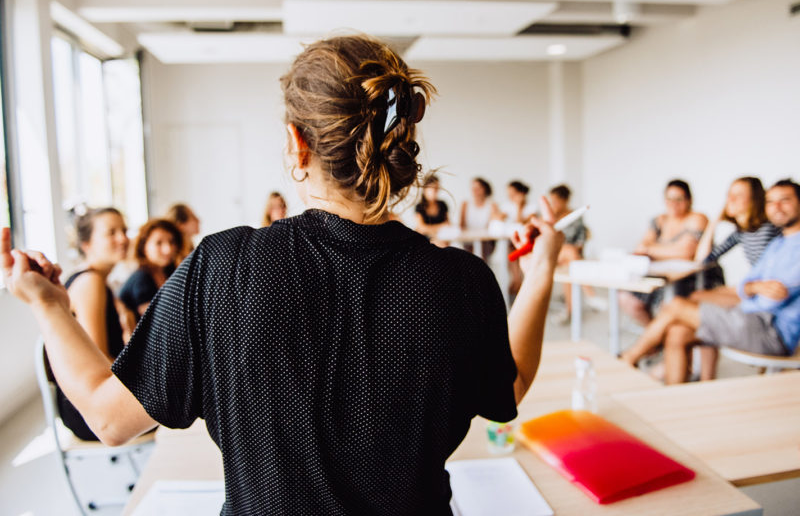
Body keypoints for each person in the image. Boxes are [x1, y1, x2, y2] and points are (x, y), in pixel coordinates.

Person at [2, 34, 563, 514]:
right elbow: (507, 387)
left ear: (297, 144)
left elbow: (109, 418)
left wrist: (49, 304)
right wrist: (541, 271)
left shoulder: (221, 269)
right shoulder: (461, 280)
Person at [621, 180, 800, 385]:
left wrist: (748, 291)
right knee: (677, 332)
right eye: (771, 201)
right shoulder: (779, 242)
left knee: (678, 305)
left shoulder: (782, 240)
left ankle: (629, 358)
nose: (776, 207)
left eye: (784, 200)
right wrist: (752, 288)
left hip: (771, 331)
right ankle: (674, 401)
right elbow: (745, 281)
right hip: (752, 316)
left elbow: (770, 301)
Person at [57, 208, 130, 441]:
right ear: (87, 244)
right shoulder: (90, 282)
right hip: (88, 406)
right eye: (111, 233)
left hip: (90, 396)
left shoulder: (99, 281)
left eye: (124, 231)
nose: (123, 238)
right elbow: (98, 359)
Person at [619, 179, 708, 325]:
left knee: (668, 305)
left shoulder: (697, 218)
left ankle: (660, 339)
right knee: (626, 298)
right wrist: (662, 250)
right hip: (660, 275)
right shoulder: (659, 220)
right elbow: (641, 247)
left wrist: (651, 250)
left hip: (689, 279)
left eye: (679, 199)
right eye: (669, 199)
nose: (673, 203)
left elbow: (686, 252)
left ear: (689, 200)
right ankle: (656, 340)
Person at [693, 176, 780, 305]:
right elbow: (703, 260)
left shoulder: (768, 228)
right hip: (755, 288)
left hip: (767, 292)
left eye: (738, 195)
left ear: (754, 200)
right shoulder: (741, 232)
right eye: (729, 194)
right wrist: (714, 222)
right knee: (696, 296)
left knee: (697, 298)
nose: (730, 199)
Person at [119, 219, 182, 322]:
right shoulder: (141, 278)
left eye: (172, 242)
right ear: (143, 246)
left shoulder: (169, 272)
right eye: (159, 243)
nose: (168, 249)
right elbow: (157, 320)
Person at [548, 184, 592, 320]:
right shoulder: (549, 219)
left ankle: (569, 311)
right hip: (553, 255)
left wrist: (572, 250)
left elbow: (581, 241)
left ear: (564, 200)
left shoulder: (575, 217)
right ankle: (590, 293)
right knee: (570, 253)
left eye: (555, 201)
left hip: (570, 257)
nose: (553, 204)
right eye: (551, 201)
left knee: (570, 261)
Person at [502, 180, 536, 300]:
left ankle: (517, 282)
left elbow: (519, 222)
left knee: (516, 250)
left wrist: (519, 206)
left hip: (527, 241)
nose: (510, 197)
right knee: (510, 251)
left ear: (521, 193)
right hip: (512, 241)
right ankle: (516, 280)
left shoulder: (532, 207)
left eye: (513, 194)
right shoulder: (507, 206)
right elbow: (499, 218)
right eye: (509, 194)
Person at [459, 177, 501, 261]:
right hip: (469, 241)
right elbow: (461, 226)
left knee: (481, 255)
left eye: (478, 188)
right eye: (473, 188)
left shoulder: (491, 204)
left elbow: (494, 223)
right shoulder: (465, 204)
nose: (475, 191)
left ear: (484, 189)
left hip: (486, 241)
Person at [414, 174, 450, 247]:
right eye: (433, 188)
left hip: (442, 239)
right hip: (425, 242)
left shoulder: (442, 205)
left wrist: (429, 229)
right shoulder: (420, 207)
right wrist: (440, 227)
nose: (435, 191)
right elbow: (421, 228)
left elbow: (448, 225)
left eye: (437, 188)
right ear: (425, 189)